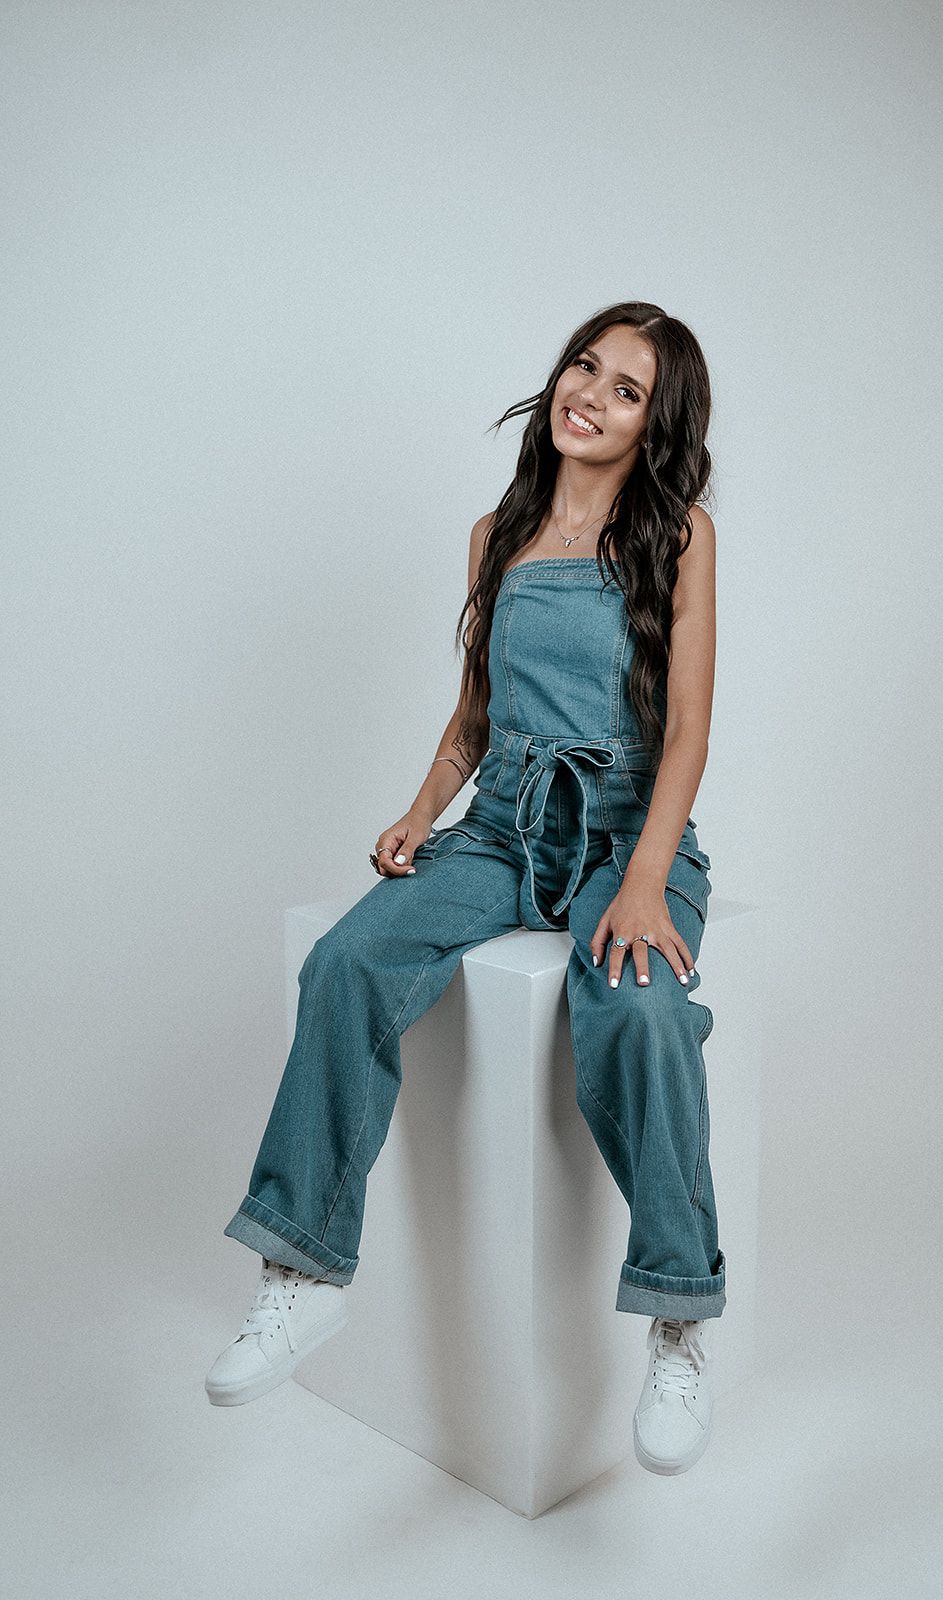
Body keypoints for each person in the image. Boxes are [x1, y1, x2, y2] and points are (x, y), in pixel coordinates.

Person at [205, 300, 724, 1477]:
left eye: (627, 386)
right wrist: (417, 809)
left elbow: (688, 728)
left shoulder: (678, 535)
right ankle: (302, 1265)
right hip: (501, 824)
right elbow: (474, 715)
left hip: (625, 827)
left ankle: (680, 1315)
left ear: (658, 421)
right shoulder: (498, 531)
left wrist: (644, 877)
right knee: (344, 959)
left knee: (636, 1008)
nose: (589, 391)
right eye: (583, 364)